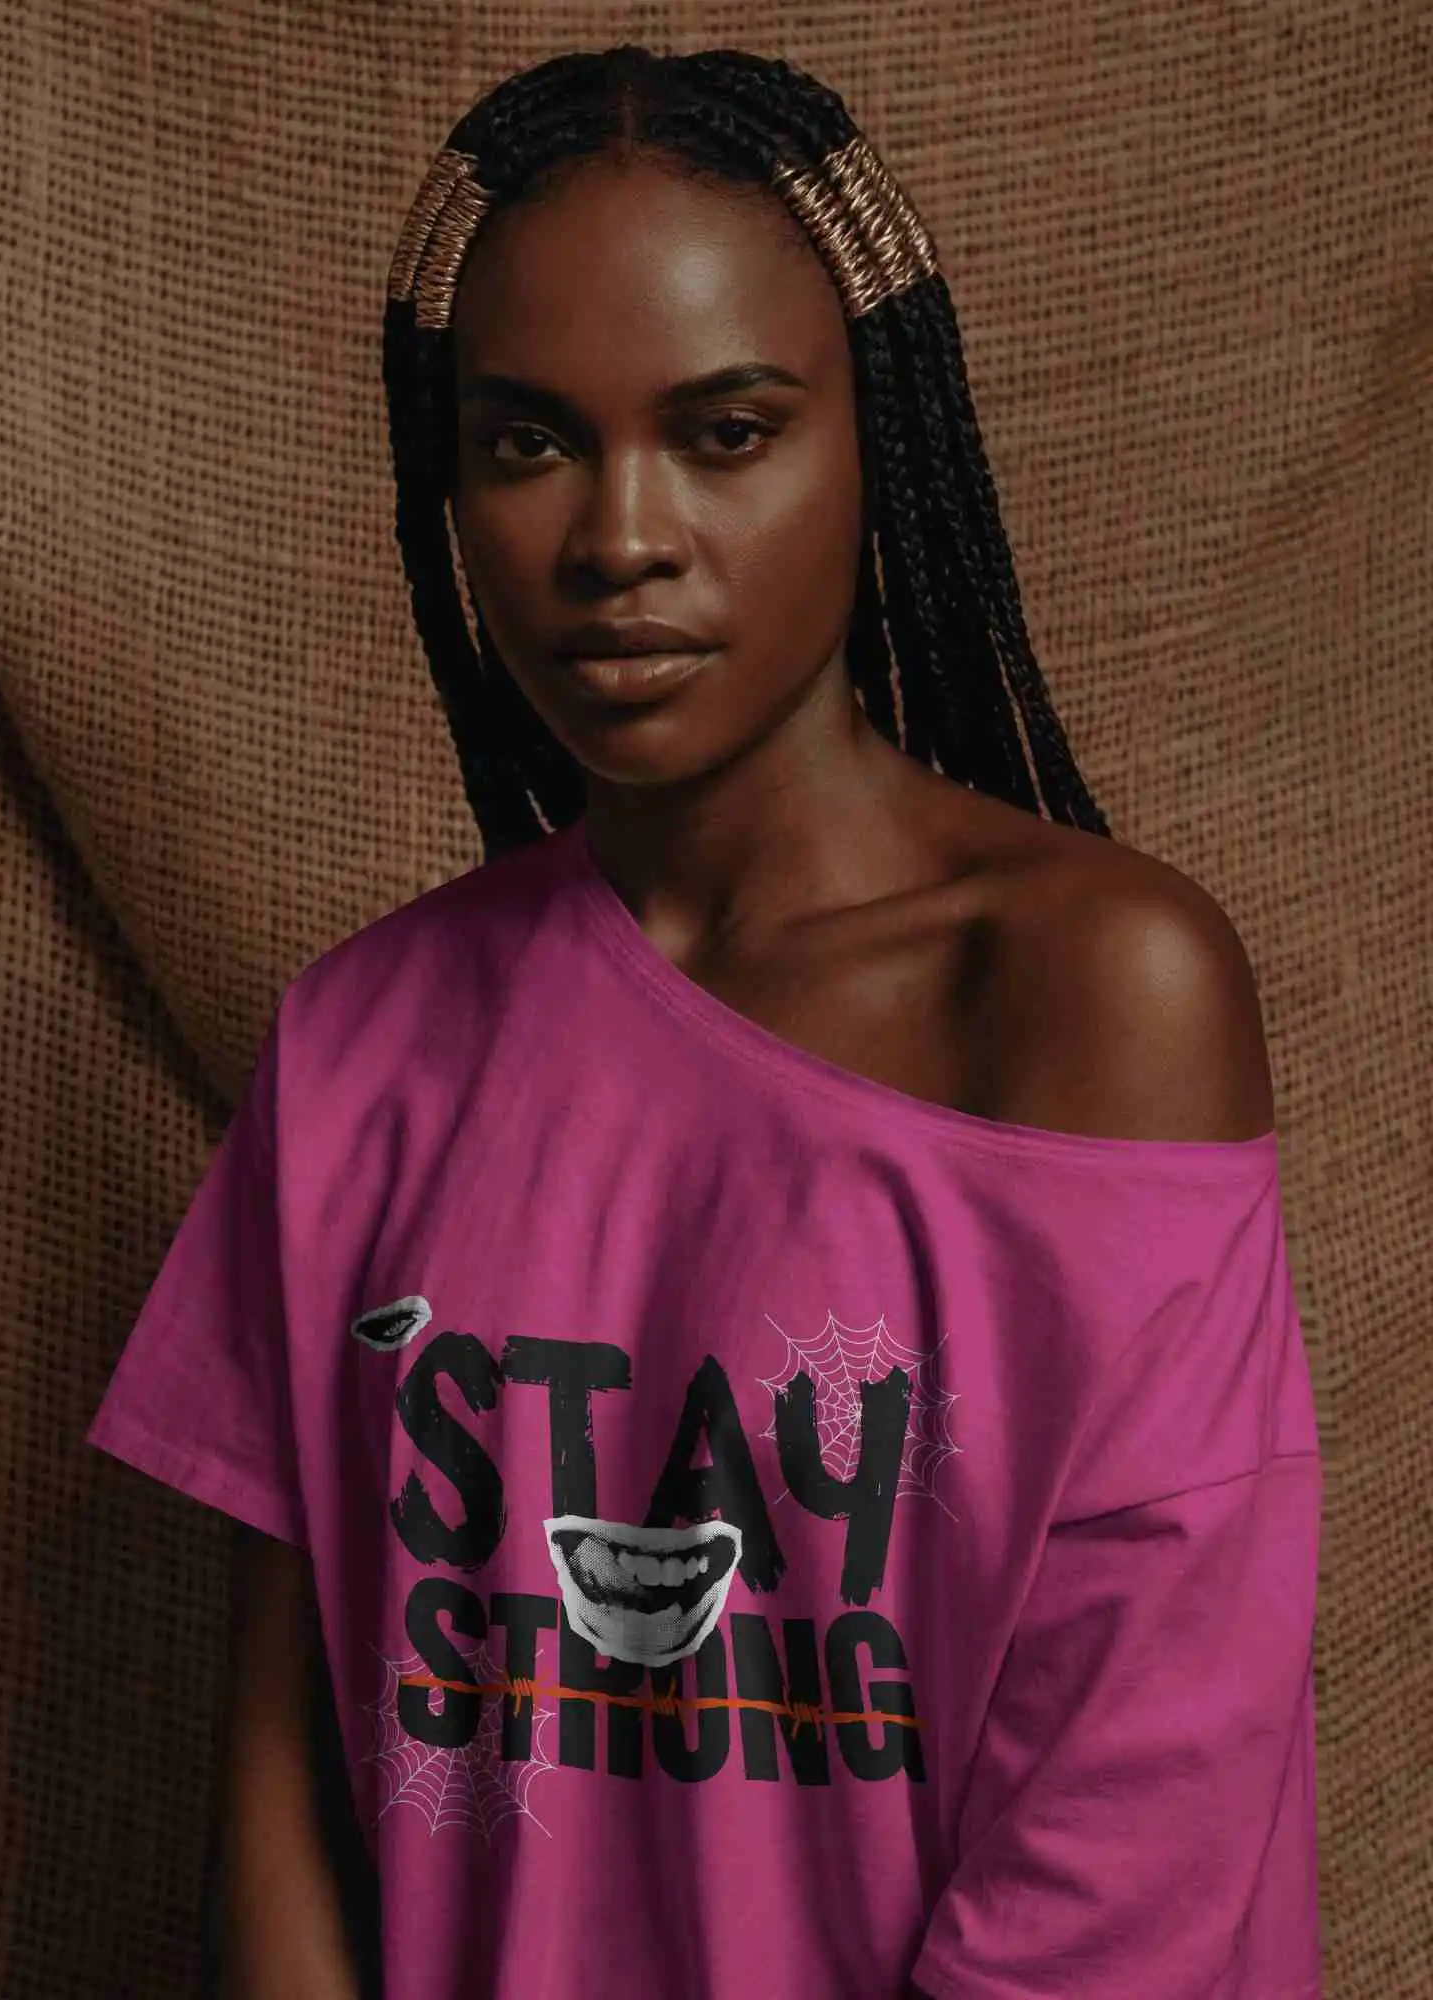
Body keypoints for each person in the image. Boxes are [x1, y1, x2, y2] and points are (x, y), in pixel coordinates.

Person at [86, 44, 1323, 2000]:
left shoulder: (1091, 991)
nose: (619, 538)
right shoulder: (360, 1043)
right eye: (528, 443)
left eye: (725, 432)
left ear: (874, 445)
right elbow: (286, 1795)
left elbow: (1139, 1825)